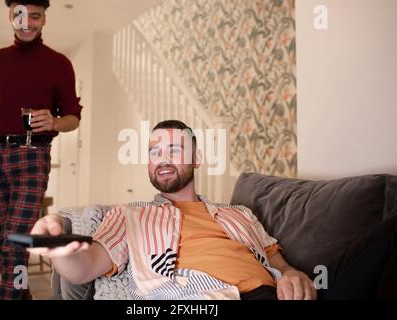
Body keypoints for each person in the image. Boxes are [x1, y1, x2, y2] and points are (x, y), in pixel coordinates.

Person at [30, 120, 396, 300]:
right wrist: (59, 248)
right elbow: (84, 268)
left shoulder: (239, 214)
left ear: (197, 159)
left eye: (174, 149)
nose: (162, 159)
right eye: (155, 151)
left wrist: (293, 274)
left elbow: (275, 258)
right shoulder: (132, 214)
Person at [0, 0, 82, 300]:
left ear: (44, 19)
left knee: (15, 244)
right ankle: (22, 295)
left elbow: (73, 118)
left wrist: (55, 120)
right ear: (10, 16)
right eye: (19, 15)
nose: (27, 23)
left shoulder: (59, 63)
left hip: (33, 156)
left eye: (35, 16)